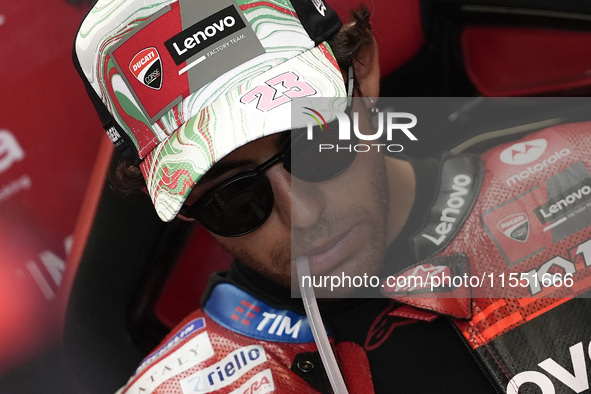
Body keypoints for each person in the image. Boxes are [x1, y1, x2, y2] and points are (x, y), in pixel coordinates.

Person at [74, 0, 591, 393]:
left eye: (315, 146)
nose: (302, 214)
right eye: (233, 200)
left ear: (362, 70)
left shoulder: (575, 179)